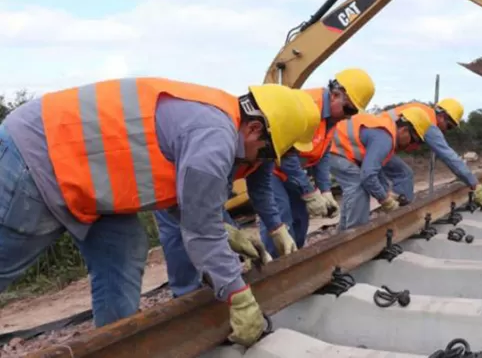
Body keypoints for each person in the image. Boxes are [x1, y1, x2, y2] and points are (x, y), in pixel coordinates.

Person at [0, 77, 320, 347]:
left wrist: (225, 231)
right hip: (36, 156)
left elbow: (182, 199)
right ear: (253, 129)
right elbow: (200, 231)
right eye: (266, 153)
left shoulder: (219, 122)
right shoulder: (214, 139)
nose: (261, 163)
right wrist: (240, 297)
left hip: (87, 177)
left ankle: (115, 349)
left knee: (124, 251)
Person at [258, 68, 376, 257]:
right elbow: (288, 156)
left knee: (300, 219)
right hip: (272, 169)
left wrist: (326, 190)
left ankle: (293, 263)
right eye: (349, 109)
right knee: (281, 219)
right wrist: (310, 193)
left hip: (293, 174)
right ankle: (273, 266)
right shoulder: (308, 107)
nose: (348, 116)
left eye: (353, 112)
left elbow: (323, 154)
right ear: (336, 94)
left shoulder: (332, 117)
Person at [329, 107, 433, 230]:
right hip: (332, 149)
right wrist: (384, 199)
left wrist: (387, 191)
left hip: (336, 149)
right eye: (413, 140)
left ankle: (343, 235)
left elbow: (375, 170)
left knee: (354, 190)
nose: (412, 146)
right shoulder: (385, 139)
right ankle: (356, 236)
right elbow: (368, 175)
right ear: (404, 130)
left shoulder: (386, 133)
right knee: (358, 188)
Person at [381, 98, 482, 207]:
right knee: (404, 174)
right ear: (442, 116)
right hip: (378, 144)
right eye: (449, 126)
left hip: (373, 141)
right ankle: (398, 215)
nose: (446, 130)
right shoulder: (427, 123)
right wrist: (474, 183)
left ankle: (388, 208)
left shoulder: (422, 110)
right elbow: (448, 156)